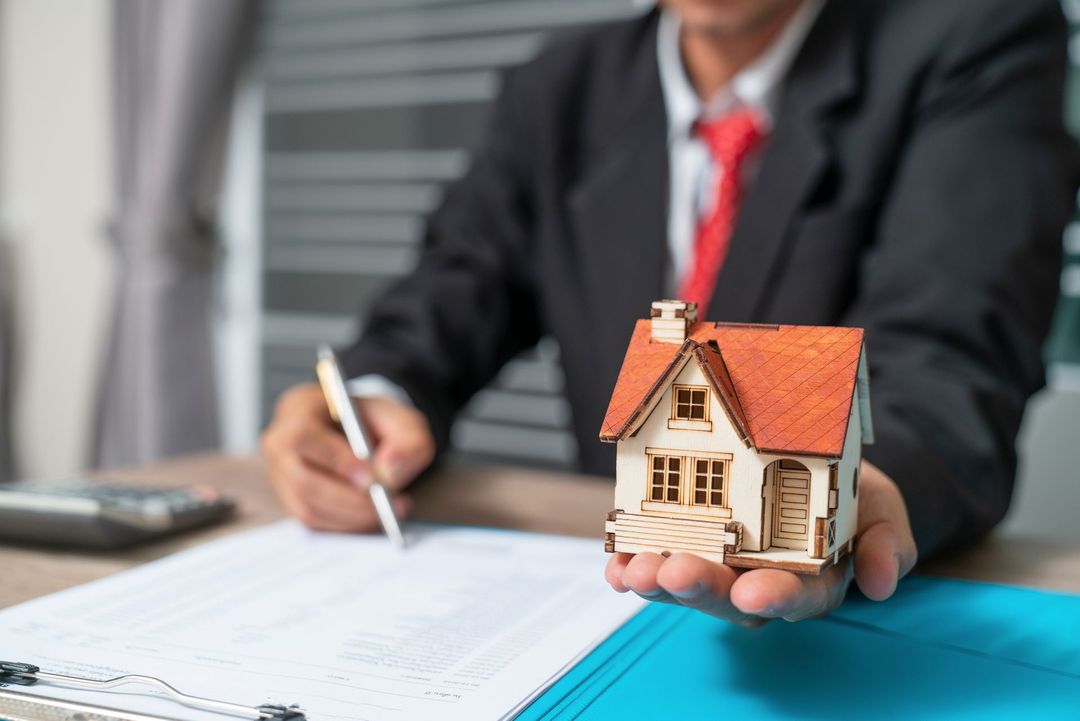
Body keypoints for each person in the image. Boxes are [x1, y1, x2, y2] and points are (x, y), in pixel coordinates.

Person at [261, 0, 1078, 625]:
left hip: (871, 613)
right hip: (604, 595)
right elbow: (453, 291)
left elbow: (952, 344)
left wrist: (860, 491)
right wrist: (374, 405)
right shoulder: (559, 88)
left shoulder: (976, 37)